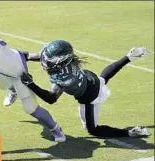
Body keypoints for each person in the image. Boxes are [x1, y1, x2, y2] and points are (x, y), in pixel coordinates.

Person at [20, 40, 150, 138]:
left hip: (90, 95)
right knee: (102, 79)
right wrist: (14, 54)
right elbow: (37, 56)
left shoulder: (65, 77)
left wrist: (31, 84)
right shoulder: (66, 60)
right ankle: (129, 57)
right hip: (89, 77)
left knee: (93, 130)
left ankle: (129, 132)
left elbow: (51, 98)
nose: (45, 60)